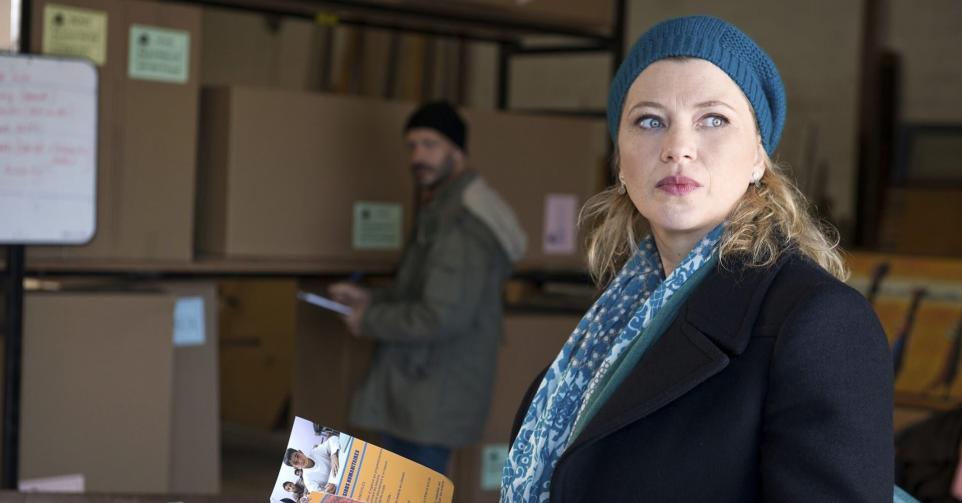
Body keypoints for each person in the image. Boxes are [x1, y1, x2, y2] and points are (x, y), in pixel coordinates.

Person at [500, 15, 895, 502]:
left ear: (758, 156)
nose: (677, 148)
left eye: (713, 119)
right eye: (650, 121)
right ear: (620, 161)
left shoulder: (818, 322)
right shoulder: (611, 327)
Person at [329, 101, 527, 475]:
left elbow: (440, 315)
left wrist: (369, 319)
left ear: (458, 151)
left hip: (433, 395)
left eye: (430, 144)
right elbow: (421, 291)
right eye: (412, 146)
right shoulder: (441, 210)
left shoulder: (463, 224)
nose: (418, 156)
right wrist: (369, 298)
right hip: (418, 391)